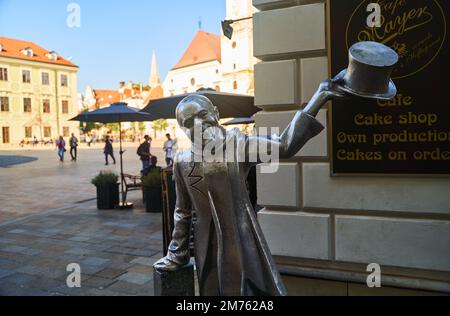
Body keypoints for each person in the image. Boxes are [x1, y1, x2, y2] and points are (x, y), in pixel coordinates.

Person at [153, 78, 348, 296]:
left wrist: (319, 96)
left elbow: (285, 145)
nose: (197, 125)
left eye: (202, 115)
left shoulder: (239, 145)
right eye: (188, 123)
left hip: (242, 240)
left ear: (216, 113)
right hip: (205, 246)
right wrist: (176, 253)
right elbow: (183, 211)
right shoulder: (182, 160)